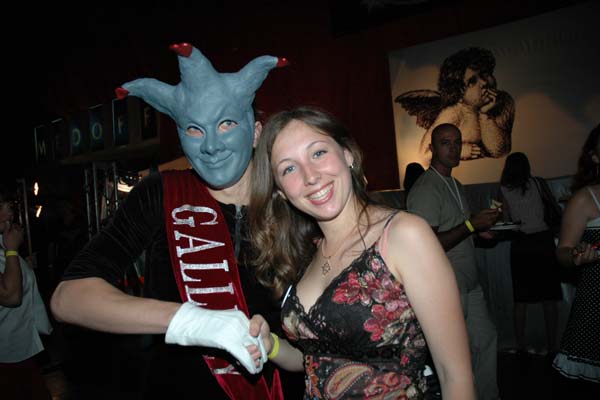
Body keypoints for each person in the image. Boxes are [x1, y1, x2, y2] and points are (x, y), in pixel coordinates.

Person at [50, 43, 304, 399]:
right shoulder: (161, 193)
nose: (211, 146)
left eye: (226, 124)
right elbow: (69, 298)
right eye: (195, 130)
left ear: (257, 132)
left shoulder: (294, 199)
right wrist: (190, 321)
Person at [246, 106, 475, 399]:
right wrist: (271, 345)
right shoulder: (305, 253)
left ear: (348, 155)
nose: (310, 176)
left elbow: (455, 375)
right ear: (280, 190)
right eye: (289, 168)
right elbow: (315, 360)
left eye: (318, 153)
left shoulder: (403, 235)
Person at [406, 123, 501, 400]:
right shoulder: (426, 189)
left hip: (469, 283)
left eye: (457, 142)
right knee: (456, 357)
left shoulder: (455, 184)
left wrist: (481, 231)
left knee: (486, 341)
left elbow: (459, 229)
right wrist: (471, 225)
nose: (454, 148)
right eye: (445, 143)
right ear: (432, 148)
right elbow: (425, 246)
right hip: (446, 285)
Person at [395, 47, 514, 164]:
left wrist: (484, 115)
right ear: (459, 92)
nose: (484, 82)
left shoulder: (502, 101)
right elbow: (424, 154)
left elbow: (500, 151)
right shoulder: (454, 113)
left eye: (485, 74)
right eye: (472, 82)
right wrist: (459, 150)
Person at [499, 152, 562, 358]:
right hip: (543, 242)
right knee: (549, 298)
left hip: (521, 244)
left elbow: (506, 220)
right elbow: (552, 207)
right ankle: (552, 346)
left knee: (521, 299)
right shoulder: (538, 183)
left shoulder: (504, 188)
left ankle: (521, 345)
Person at [553, 123, 600, 384]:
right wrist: (575, 255)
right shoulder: (584, 199)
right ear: (595, 157)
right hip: (595, 304)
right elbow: (562, 251)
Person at [0, 183, 53, 400]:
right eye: (1, 207)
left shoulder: (3, 243)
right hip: (6, 355)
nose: (9, 213)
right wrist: (13, 250)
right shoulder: (8, 246)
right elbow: (11, 297)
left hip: (20, 349)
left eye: (9, 207)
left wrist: (23, 265)